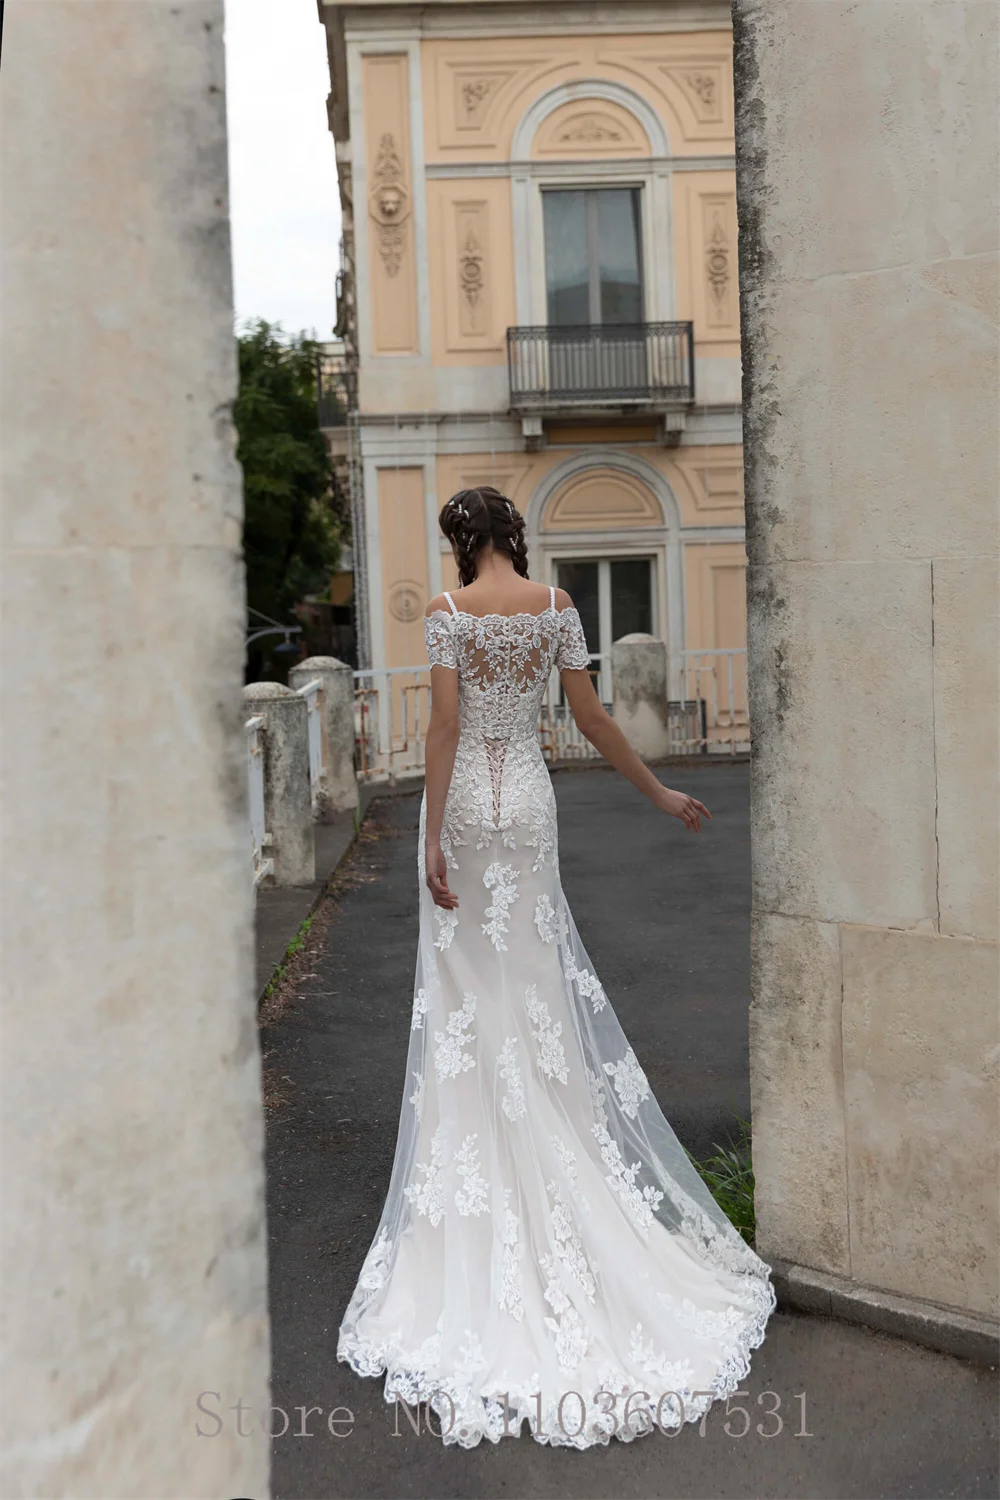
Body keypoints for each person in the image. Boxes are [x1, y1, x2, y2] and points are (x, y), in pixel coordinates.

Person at [337, 487, 775, 1448]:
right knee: (535, 998)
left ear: (459, 543)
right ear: (513, 538)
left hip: (465, 817)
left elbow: (445, 729)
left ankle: (489, 1186)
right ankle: (559, 1164)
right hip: (530, 815)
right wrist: (661, 792)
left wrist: (433, 841)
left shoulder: (452, 615)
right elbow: (594, 718)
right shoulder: (558, 609)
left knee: (468, 1004)